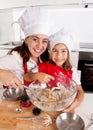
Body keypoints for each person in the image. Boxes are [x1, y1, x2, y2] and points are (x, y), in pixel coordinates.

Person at [29, 29, 84, 112]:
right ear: (50, 52)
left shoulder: (72, 71)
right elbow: (26, 76)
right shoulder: (44, 67)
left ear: (68, 53)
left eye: (63, 51)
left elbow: (80, 91)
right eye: (55, 51)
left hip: (65, 106)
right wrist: (35, 75)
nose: (59, 55)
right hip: (46, 104)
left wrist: (76, 104)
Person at [0, 6, 54, 89]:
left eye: (44, 41)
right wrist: (2, 73)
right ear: (26, 40)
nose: (40, 46)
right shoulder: (16, 58)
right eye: (35, 39)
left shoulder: (43, 57)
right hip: (17, 99)